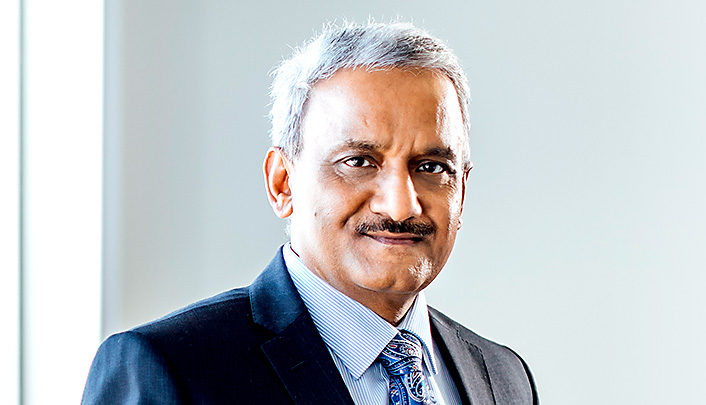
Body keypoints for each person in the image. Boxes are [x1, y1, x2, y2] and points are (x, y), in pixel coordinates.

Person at [82, 21, 538, 404]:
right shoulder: (170, 369)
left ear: (462, 189)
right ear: (283, 183)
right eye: (359, 162)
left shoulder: (503, 377)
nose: (401, 204)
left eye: (431, 167)